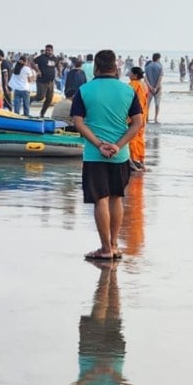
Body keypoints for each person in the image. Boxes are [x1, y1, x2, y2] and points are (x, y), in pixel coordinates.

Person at [72, 50, 143, 261]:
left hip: (95, 155)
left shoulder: (84, 90)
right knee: (116, 197)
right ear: (116, 67)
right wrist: (118, 145)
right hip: (120, 155)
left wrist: (98, 144)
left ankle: (105, 249)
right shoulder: (128, 91)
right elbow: (137, 123)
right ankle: (114, 245)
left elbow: (78, 122)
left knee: (100, 199)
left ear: (96, 67)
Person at [126, 67, 148, 172]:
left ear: (135, 75)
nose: (129, 75)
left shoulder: (133, 84)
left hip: (133, 115)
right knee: (140, 138)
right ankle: (141, 161)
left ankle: (133, 160)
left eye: (130, 73)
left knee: (132, 139)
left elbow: (127, 100)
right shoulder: (144, 85)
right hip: (143, 115)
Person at [34, 44, 58, 117]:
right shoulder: (41, 57)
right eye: (46, 50)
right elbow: (32, 63)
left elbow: (58, 64)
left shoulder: (55, 58)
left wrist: (59, 72)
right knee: (40, 97)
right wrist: (38, 70)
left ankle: (42, 113)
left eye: (49, 50)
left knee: (49, 99)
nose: (47, 51)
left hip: (51, 81)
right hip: (41, 81)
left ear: (52, 51)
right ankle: (30, 99)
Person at [144, 52, 164, 123]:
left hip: (148, 88)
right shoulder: (160, 66)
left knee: (147, 104)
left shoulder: (147, 67)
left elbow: (145, 79)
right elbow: (160, 78)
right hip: (157, 88)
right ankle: (155, 118)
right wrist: (156, 87)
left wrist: (150, 87)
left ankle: (147, 118)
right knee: (157, 104)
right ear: (158, 58)